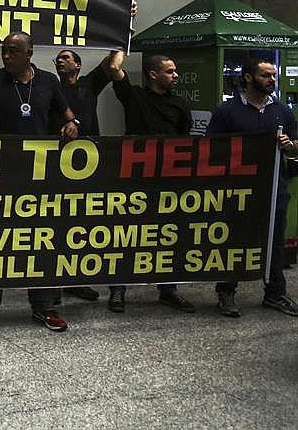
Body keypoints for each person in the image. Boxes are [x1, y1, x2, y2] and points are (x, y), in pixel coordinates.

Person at [0, 31, 78, 337]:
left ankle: (44, 305)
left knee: (40, 238)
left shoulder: (49, 81)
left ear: (30, 53)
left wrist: (71, 125)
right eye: (4, 51)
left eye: (13, 51)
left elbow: (68, 115)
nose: (6, 56)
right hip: (0, 173)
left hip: (38, 174)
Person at [206, 58, 298, 317]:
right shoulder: (227, 111)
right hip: (238, 189)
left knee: (275, 243)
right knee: (233, 241)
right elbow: (211, 148)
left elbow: (295, 143)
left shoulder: (281, 111)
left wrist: (289, 144)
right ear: (248, 77)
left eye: (273, 75)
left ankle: (275, 294)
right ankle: (226, 292)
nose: (272, 80)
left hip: (274, 188)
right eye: (265, 75)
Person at [110, 54, 195, 314]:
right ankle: (118, 289)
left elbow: (185, 142)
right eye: (169, 71)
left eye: (175, 70)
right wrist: (126, 27)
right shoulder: (134, 96)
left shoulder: (180, 105)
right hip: (136, 180)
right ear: (153, 74)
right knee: (128, 236)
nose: (175, 75)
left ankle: (168, 290)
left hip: (168, 181)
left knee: (167, 236)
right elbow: (114, 67)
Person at [53, 48, 125, 301]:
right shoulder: (50, 87)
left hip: (89, 163)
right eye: (58, 59)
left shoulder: (88, 84)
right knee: (58, 224)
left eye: (66, 58)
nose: (60, 61)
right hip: (58, 164)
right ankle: (53, 282)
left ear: (79, 65)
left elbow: (113, 59)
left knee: (82, 224)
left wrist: (122, 24)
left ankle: (75, 281)